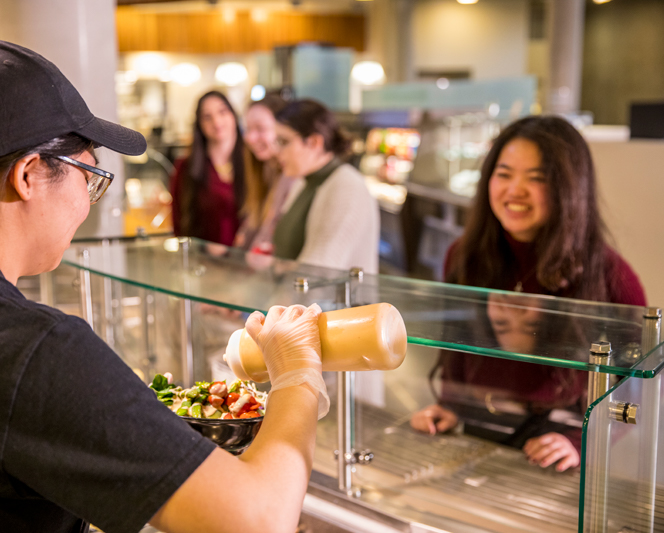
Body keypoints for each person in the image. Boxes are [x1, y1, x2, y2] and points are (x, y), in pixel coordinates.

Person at [0, 39, 328, 533]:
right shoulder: (30, 349)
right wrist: (297, 374)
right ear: (28, 174)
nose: (87, 205)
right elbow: (261, 519)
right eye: (87, 176)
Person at [411, 115, 646, 472]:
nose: (514, 190)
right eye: (504, 174)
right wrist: (449, 405)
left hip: (557, 439)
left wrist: (581, 441)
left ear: (569, 189)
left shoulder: (610, 272)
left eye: (537, 178)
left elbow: (637, 380)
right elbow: (455, 343)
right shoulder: (464, 255)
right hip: (479, 423)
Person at [272, 99, 379, 273]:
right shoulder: (303, 182)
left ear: (314, 142)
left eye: (283, 142)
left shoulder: (347, 186)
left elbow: (318, 274)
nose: (276, 151)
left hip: (333, 300)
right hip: (297, 298)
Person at [169, 90, 246, 246]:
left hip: (250, 262)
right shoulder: (186, 167)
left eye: (222, 112)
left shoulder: (254, 164)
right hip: (204, 262)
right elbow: (178, 221)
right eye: (207, 117)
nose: (216, 122)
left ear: (233, 115)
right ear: (199, 124)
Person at [235, 94, 293, 254]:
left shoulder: (293, 179)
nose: (250, 138)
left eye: (260, 129)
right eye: (247, 129)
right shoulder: (263, 171)